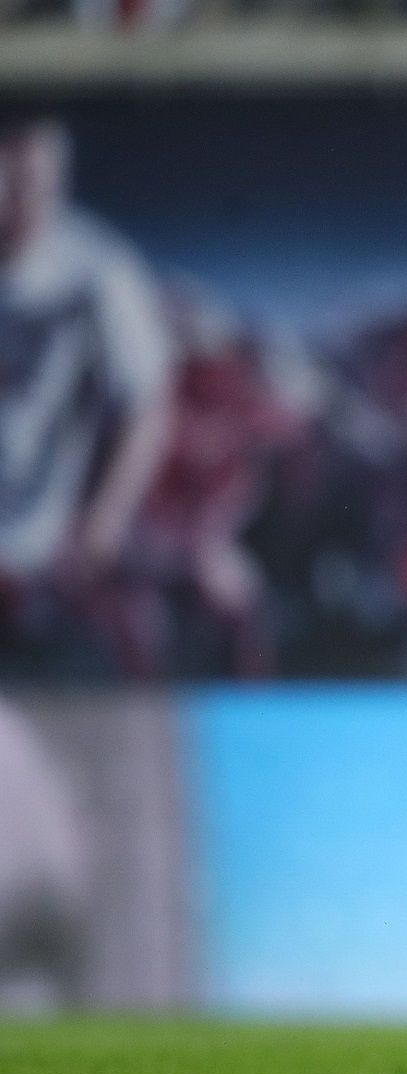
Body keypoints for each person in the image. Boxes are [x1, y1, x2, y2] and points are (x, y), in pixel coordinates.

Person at [0, 113, 174, 673]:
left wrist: (104, 520)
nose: (20, 201)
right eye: (9, 181)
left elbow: (147, 403)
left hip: (38, 538)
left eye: (35, 184)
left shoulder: (97, 271)